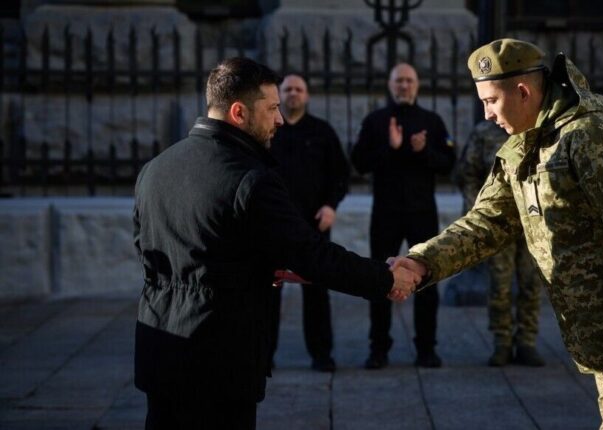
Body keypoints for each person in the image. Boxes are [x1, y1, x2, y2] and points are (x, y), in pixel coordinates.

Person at [390, 39, 603, 429]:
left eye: (490, 101)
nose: (485, 114)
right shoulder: (522, 146)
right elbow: (487, 222)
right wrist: (423, 261)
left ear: (522, 91)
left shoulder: (593, 135)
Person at [133, 58, 419, 429]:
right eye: (271, 109)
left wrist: (253, 266)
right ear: (238, 112)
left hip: (161, 353)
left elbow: (150, 249)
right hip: (218, 360)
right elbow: (312, 255)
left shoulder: (155, 168)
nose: (280, 120)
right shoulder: (250, 180)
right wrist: (385, 278)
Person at [350, 62, 456, 369]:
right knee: (378, 279)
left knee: (426, 279)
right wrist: (391, 147)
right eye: (399, 81)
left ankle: (426, 348)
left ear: (417, 85)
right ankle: (378, 348)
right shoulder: (376, 121)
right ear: (390, 85)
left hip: (422, 212)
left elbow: (448, 164)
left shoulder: (432, 121)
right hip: (385, 212)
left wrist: (423, 151)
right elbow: (359, 162)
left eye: (409, 81)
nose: (404, 86)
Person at [267, 73, 350, 372]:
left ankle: (321, 354)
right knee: (268, 294)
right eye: (287, 89)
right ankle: (263, 356)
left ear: (307, 95)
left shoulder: (322, 132)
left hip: (313, 227)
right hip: (273, 227)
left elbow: (340, 175)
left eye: (298, 89)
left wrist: (331, 206)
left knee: (316, 291)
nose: (292, 94)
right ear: (279, 96)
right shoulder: (269, 131)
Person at [454, 120, 545, 367]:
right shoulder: (484, 132)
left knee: (531, 283)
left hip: (533, 222)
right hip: (498, 223)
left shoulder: (537, 127)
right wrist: (477, 211)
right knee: (499, 285)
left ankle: (527, 341)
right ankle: (502, 342)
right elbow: (468, 173)